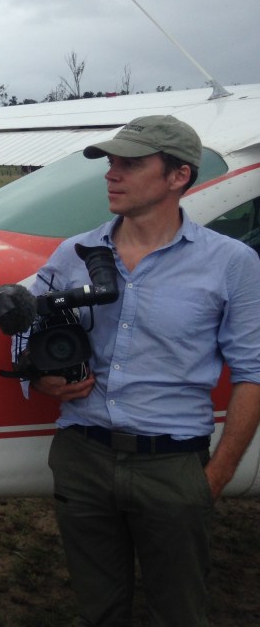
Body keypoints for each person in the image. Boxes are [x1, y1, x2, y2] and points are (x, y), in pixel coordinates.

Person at [22, 115, 260, 626]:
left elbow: (253, 374)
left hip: (172, 466)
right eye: (111, 163)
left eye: (130, 164)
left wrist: (213, 479)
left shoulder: (231, 262)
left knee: (179, 612)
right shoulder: (73, 253)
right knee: (98, 612)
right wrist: (39, 375)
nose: (112, 175)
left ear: (178, 177)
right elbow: (26, 328)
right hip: (82, 456)